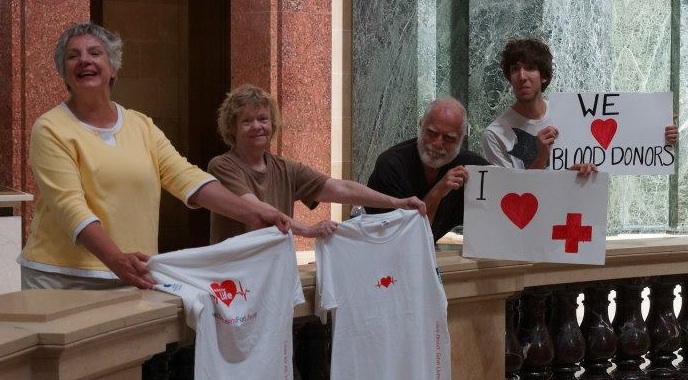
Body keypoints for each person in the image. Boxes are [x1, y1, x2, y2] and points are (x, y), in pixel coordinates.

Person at [17, 22, 291, 291]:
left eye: (94, 53)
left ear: (113, 67)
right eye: (73, 56)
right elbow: (70, 208)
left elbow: (186, 177)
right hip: (63, 278)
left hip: (134, 271)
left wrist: (254, 213)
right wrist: (115, 259)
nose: (84, 60)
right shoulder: (50, 128)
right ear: (63, 72)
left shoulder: (141, 125)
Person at [207, 84, 426, 244]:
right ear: (232, 128)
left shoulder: (286, 168)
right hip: (233, 277)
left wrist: (398, 202)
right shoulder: (222, 166)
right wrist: (307, 230)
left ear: (272, 124)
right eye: (247, 121)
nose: (257, 126)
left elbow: (341, 188)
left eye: (263, 119)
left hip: (275, 271)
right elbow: (256, 209)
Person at [481, 37, 678, 171]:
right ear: (509, 77)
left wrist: (658, 133)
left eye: (530, 68)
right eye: (515, 69)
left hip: (575, 217)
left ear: (544, 76)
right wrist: (541, 158)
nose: (522, 76)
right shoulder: (495, 135)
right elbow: (506, 195)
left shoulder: (574, 115)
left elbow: (623, 146)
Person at [366, 97, 491, 243]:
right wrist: (438, 192)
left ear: (462, 139)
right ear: (420, 125)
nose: (438, 143)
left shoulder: (472, 167)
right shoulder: (392, 164)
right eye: (431, 133)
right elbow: (406, 239)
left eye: (449, 138)